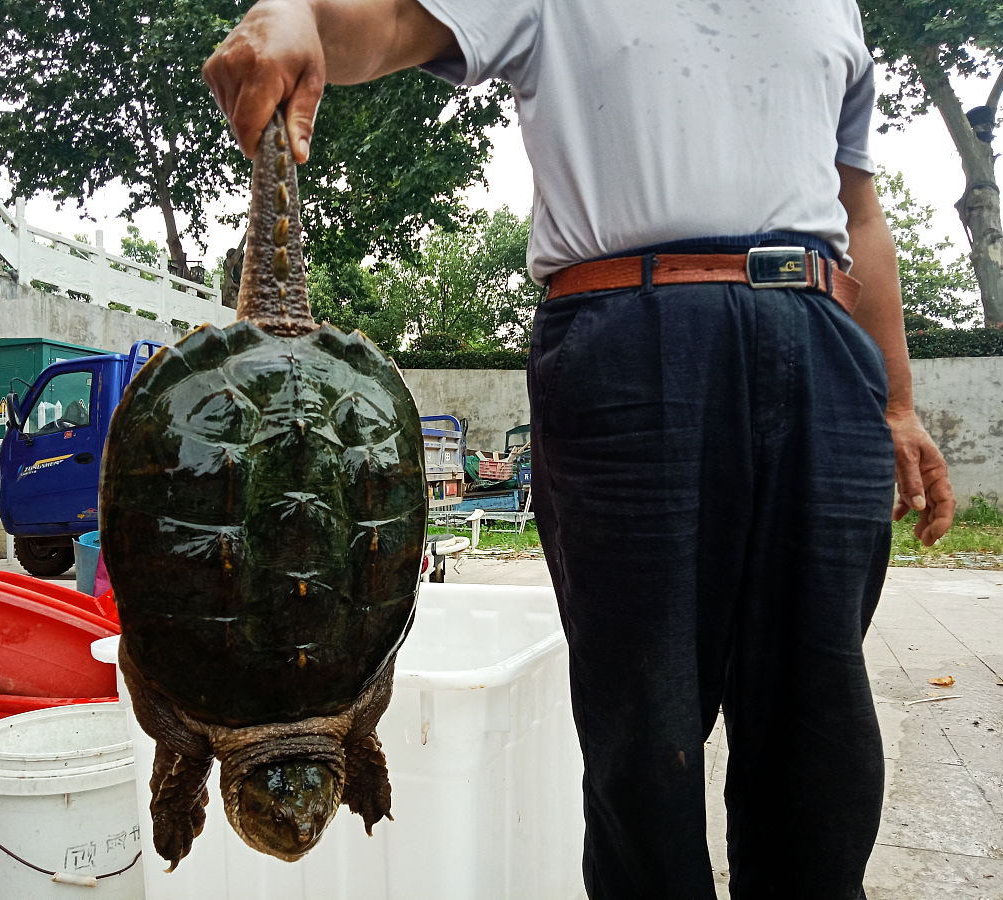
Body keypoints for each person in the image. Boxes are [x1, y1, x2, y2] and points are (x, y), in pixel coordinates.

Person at [203, 2, 956, 896]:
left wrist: (898, 402)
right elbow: (387, 26)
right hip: (630, 340)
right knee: (646, 734)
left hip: (823, 343)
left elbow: (858, 206)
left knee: (820, 732)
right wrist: (300, 14)